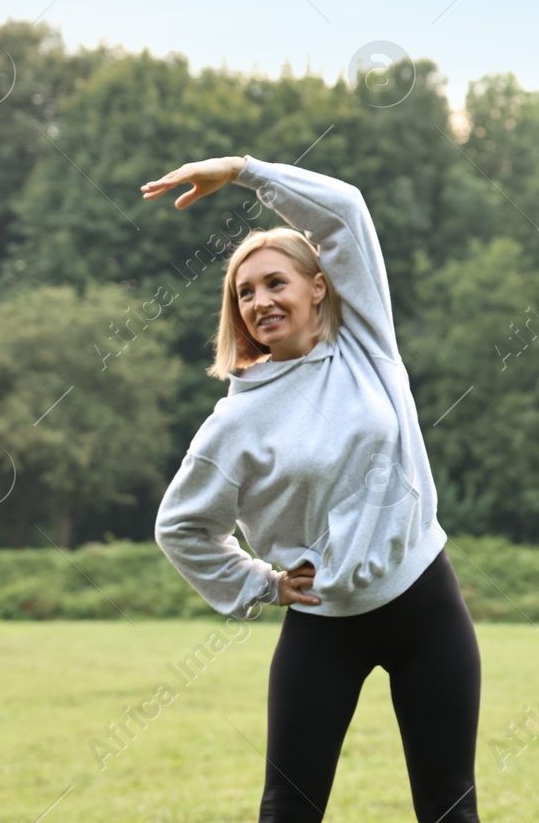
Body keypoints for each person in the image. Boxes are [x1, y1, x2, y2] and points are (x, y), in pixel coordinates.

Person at [143, 154, 480, 823]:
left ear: (319, 288)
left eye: (275, 283)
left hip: (426, 605)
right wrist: (263, 584)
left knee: (449, 807)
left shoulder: (365, 343)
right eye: (245, 293)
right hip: (324, 627)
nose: (261, 301)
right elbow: (181, 526)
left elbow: (346, 211)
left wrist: (243, 171)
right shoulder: (234, 421)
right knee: (288, 812)